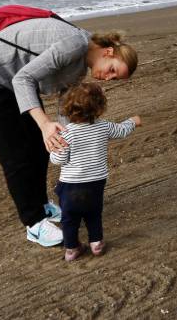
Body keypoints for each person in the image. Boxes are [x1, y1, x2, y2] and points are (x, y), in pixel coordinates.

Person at [0, 17, 138, 247]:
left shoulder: (81, 66)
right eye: (112, 70)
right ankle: (33, 223)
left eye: (114, 78)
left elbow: (66, 103)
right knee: (17, 155)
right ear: (107, 52)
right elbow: (22, 79)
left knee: (40, 146)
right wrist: (45, 124)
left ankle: (42, 204)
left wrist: (68, 136)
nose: (108, 78)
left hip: (15, 85)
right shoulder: (75, 44)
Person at [50, 82, 141, 262]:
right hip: (95, 184)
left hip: (71, 186)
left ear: (67, 110)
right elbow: (121, 130)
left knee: (70, 219)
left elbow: (58, 159)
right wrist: (133, 121)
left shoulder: (67, 134)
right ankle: (96, 243)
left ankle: (71, 249)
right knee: (93, 214)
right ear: (99, 108)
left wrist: (53, 152)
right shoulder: (103, 126)